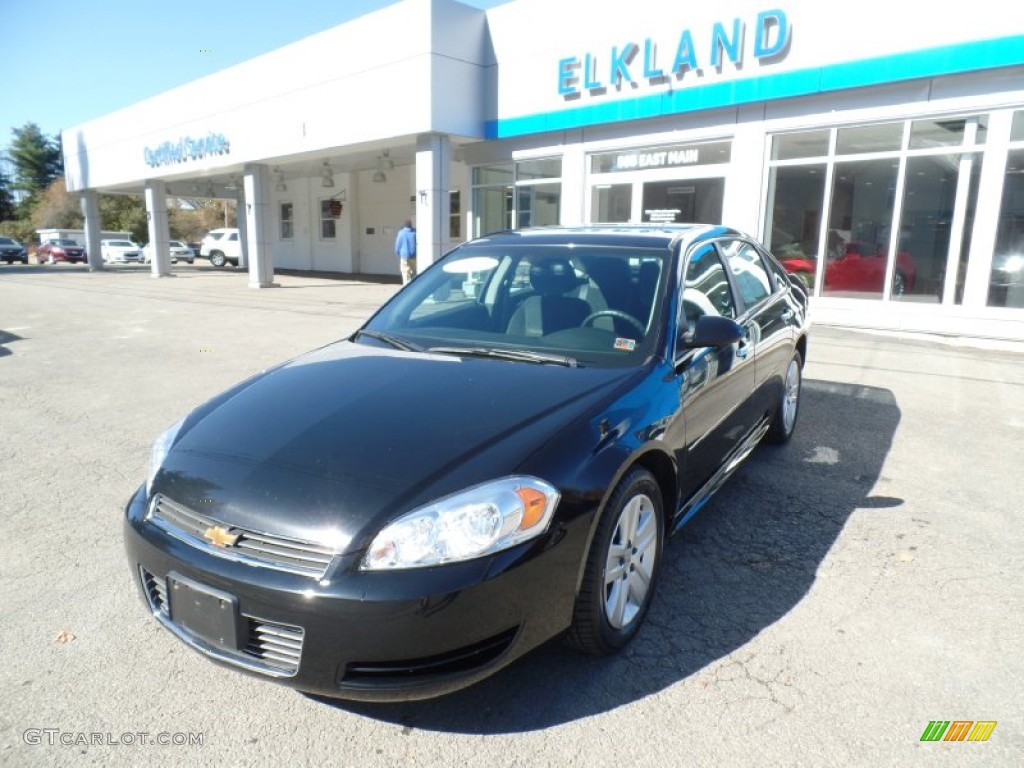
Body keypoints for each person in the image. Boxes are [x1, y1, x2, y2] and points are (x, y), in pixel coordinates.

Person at [395, 220, 417, 285]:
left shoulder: (401, 233)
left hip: (404, 256)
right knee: (414, 272)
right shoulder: (415, 232)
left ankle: (407, 288)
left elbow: (397, 246)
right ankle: (414, 286)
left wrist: (399, 253)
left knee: (405, 273)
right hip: (414, 256)